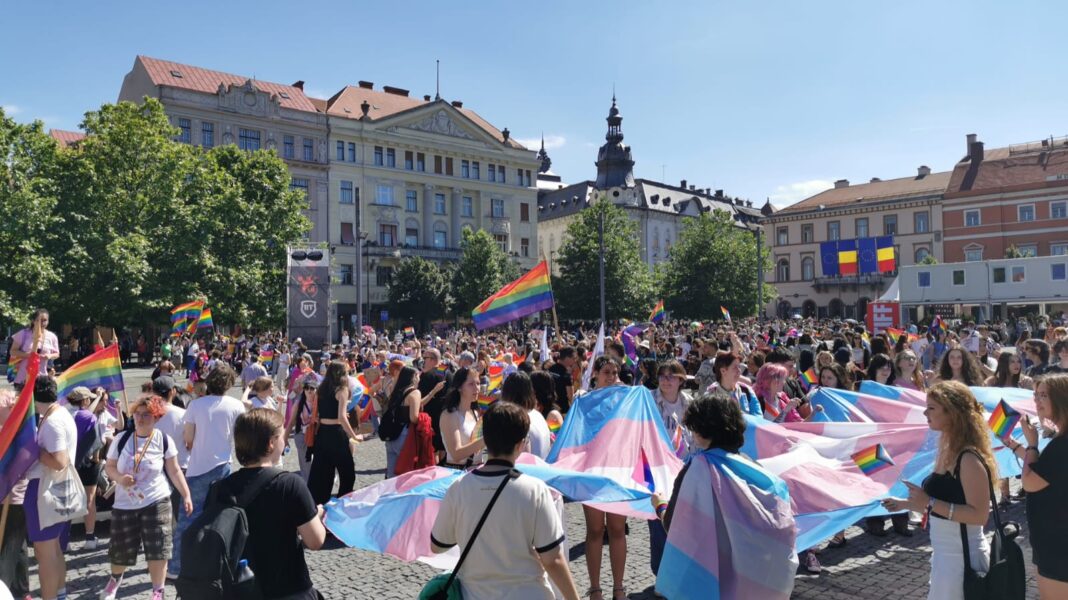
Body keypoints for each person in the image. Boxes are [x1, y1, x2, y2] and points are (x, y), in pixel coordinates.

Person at [430, 402, 580, 600]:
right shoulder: (535, 491)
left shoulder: (458, 488)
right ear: (520, 444)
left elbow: (437, 545)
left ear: (485, 440)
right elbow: (553, 559)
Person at [882, 381, 998, 600]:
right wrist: (908, 504)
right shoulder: (948, 449)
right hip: (945, 557)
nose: (925, 412)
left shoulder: (969, 458)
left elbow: (979, 515)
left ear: (951, 413)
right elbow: (946, 501)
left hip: (964, 560)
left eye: (932, 407)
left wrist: (929, 503)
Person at [212, 408, 326, 599]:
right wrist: (318, 515)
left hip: (240, 590)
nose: (285, 440)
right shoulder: (290, 484)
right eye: (282, 435)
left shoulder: (220, 488)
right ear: (271, 443)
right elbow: (315, 541)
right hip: (288, 588)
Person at [100, 396, 192, 600]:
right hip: (125, 503)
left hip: (157, 500)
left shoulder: (163, 440)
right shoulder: (121, 439)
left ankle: (157, 591)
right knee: (120, 548)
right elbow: (109, 467)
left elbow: (174, 470)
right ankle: (115, 579)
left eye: (147, 415)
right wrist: (120, 479)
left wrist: (186, 494)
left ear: (156, 417)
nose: (141, 419)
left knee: (158, 548)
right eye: (138, 414)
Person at [168, 364, 245, 580]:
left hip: (197, 467)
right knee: (221, 516)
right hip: (224, 465)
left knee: (187, 518)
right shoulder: (236, 405)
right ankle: (218, 563)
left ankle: (175, 567)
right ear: (229, 384)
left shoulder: (195, 405)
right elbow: (238, 438)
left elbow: (189, 439)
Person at [1001, 374, 1068, 597]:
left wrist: (1031, 444)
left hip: (1058, 545)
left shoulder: (1061, 444)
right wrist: (1015, 446)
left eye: (1043, 396)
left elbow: (1029, 481)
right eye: (1035, 395)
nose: (1036, 402)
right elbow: (1043, 472)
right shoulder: (1061, 441)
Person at [579, 356, 629, 600]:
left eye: (615, 372)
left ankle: (618, 587)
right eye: (607, 371)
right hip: (593, 471)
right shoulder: (584, 401)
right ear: (596, 374)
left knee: (618, 529)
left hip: (618, 469)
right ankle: (595, 588)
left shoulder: (625, 400)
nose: (612, 376)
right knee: (595, 530)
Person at [26, 374, 76, 600]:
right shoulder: (59, 413)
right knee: (53, 550)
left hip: (45, 489)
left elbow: (59, 462)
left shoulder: (53, 421)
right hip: (54, 489)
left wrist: (32, 450)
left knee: (45, 555)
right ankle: (60, 593)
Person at [307, 361, 360, 505]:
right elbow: (342, 417)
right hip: (336, 435)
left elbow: (318, 414)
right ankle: (342, 503)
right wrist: (354, 436)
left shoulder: (322, 389)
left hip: (322, 434)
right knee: (347, 473)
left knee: (323, 474)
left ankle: (319, 505)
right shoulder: (342, 389)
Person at [0, 391, 31, 599]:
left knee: (6, 553)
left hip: (11, 499)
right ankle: (22, 591)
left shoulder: (14, 433)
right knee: (18, 549)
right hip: (13, 498)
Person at [68, 387, 103, 551]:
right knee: (89, 500)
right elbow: (96, 441)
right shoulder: (89, 416)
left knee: (68, 500)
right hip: (87, 462)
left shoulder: (64, 413)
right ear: (84, 400)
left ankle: (64, 538)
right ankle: (89, 537)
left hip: (67, 463)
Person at [438, 367, 486, 468]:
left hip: (476, 474)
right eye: (471, 384)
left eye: (478, 383)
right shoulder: (449, 415)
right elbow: (456, 454)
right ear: (459, 387)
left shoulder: (476, 413)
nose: (477, 388)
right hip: (457, 474)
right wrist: (486, 439)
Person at [500, 371, 551, 460]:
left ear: (506, 394)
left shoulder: (518, 421)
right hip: (542, 468)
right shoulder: (538, 415)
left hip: (530, 472)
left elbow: (522, 461)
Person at [383, 366, 422, 478]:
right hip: (405, 435)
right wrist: (424, 419)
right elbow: (413, 417)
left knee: (391, 473)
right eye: (418, 375)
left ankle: (389, 494)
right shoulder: (415, 392)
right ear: (413, 377)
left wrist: (432, 392)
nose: (419, 378)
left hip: (391, 435)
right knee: (405, 472)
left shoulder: (397, 390)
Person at [9, 309, 60, 391]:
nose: (42, 323)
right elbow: (13, 351)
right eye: (38, 320)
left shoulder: (52, 336)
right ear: (33, 321)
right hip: (23, 377)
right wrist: (30, 355)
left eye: (45, 320)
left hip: (42, 378)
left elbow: (57, 354)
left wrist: (49, 356)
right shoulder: (23, 334)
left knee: (40, 403)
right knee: (24, 403)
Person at [417, 348, 450, 460]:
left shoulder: (427, 376)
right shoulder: (449, 373)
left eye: (425, 358)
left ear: (432, 359)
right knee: (444, 448)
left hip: (431, 418)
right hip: (447, 415)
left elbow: (419, 399)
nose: (423, 361)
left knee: (432, 450)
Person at [286, 376, 319, 482]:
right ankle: (309, 485)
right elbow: (291, 422)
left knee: (318, 461)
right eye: (306, 388)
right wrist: (285, 438)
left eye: (312, 388)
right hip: (301, 435)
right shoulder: (299, 403)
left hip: (317, 435)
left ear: (316, 390)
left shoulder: (320, 403)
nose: (309, 391)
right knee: (306, 462)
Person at [708, 351, 761, 416]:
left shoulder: (747, 391)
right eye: (735, 367)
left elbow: (758, 417)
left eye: (739, 367)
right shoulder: (710, 395)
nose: (739, 371)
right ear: (723, 371)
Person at [548, 346, 577, 413]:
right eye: (574, 358)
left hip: (550, 407)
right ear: (567, 358)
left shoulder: (550, 369)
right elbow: (571, 397)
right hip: (562, 410)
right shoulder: (567, 375)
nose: (575, 361)